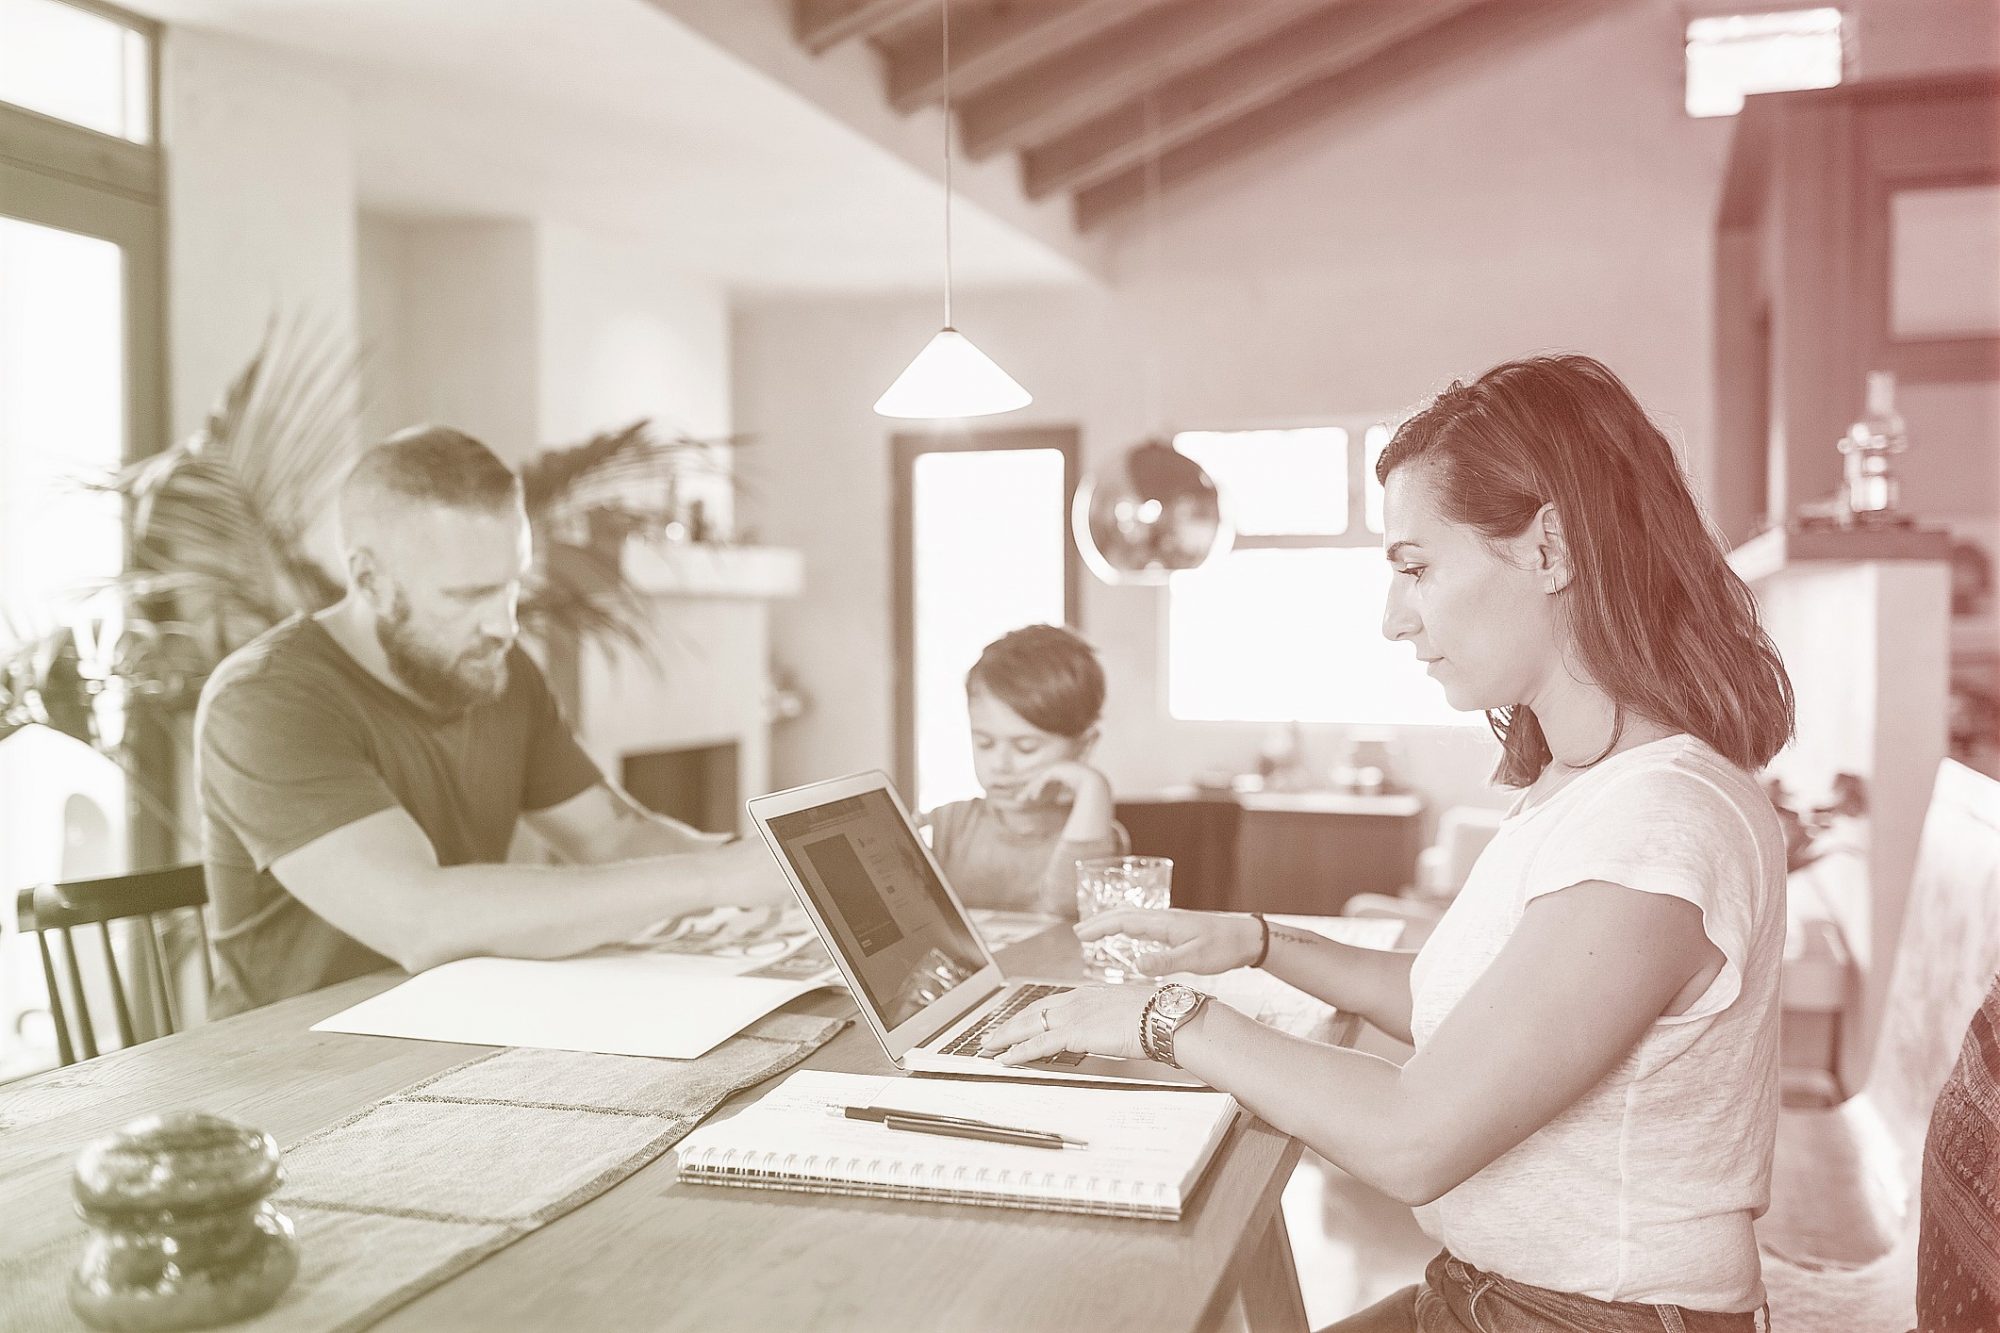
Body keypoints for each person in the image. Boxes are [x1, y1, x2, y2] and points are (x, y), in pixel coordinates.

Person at [985, 354, 1796, 1332]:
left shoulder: (1658, 821)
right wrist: (1251, 939)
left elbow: (1413, 1137)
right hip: (1497, 1296)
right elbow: (1454, 1004)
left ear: (1548, 548)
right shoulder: (1585, 785)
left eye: (1414, 567)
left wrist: (1165, 1018)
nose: (1390, 618)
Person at [196, 426, 788, 1016]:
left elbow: (613, 836)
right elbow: (419, 918)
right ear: (372, 580)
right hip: (300, 1068)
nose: (503, 626)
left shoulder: (494, 671)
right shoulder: (265, 700)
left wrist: (770, 874)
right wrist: (712, 879)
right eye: (467, 596)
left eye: (510, 588)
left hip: (466, 1022)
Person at [920, 624, 1127, 916]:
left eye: (1025, 748)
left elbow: (1063, 912)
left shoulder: (1094, 835)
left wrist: (1094, 786)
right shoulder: (947, 825)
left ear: (1084, 745)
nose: (1000, 765)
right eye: (984, 743)